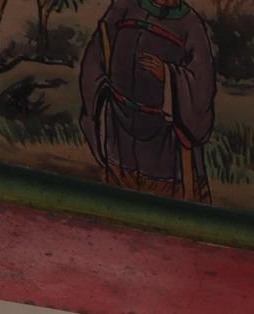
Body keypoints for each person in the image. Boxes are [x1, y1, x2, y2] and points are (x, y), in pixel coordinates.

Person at [79, 0, 215, 202]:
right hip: (119, 131)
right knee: (116, 201)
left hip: (165, 145)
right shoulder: (124, 6)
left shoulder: (190, 24)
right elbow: (99, 49)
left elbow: (202, 84)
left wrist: (168, 75)